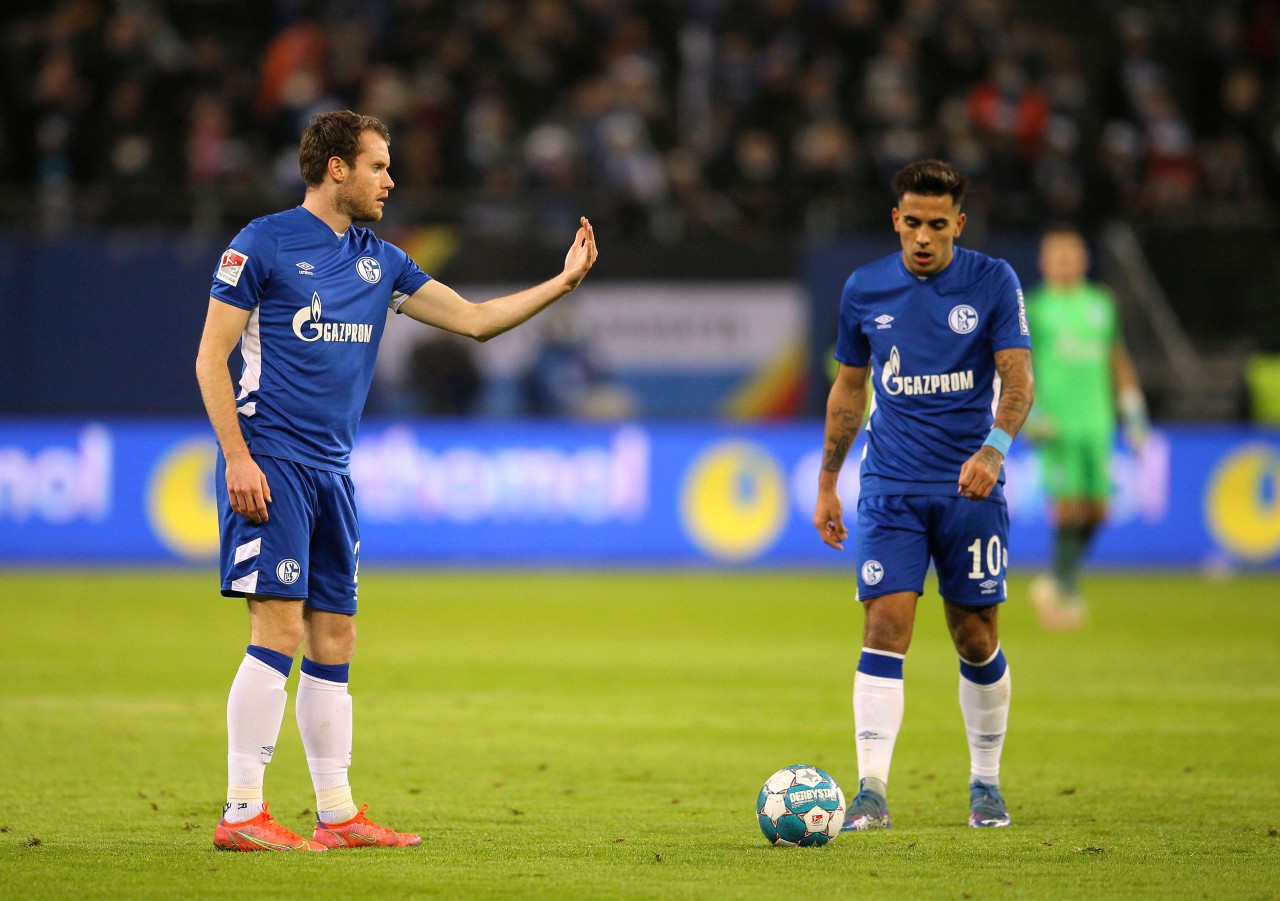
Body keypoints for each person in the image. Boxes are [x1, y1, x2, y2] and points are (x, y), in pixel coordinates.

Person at [194, 110, 598, 852]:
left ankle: (338, 811)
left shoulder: (381, 260)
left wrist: (562, 284)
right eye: (379, 165)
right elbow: (209, 357)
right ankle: (243, 811)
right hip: (272, 462)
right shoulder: (263, 244)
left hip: (333, 473)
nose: (391, 179)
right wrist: (237, 456)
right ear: (336, 168)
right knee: (277, 626)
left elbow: (475, 320)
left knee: (334, 634)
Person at [812, 159, 1034, 831]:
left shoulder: (993, 281)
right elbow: (851, 388)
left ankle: (986, 783)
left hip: (970, 486)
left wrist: (994, 448)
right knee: (885, 625)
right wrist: (828, 480)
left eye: (939, 225)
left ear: (958, 224)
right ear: (896, 220)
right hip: (890, 487)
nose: (924, 238)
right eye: (913, 223)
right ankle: (871, 791)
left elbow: (1019, 381)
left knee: (974, 634)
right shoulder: (864, 289)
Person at [1024, 226, 1147, 630]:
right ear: (1044, 262)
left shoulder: (1101, 304)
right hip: (1056, 423)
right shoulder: (1035, 309)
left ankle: (1056, 579)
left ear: (1084, 260)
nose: (1064, 262)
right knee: (1066, 506)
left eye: (1070, 255)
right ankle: (1065, 588)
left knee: (1097, 508)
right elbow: (1020, 366)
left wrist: (1133, 410)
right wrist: (1032, 412)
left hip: (1097, 421)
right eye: (1056, 255)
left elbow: (1117, 357)